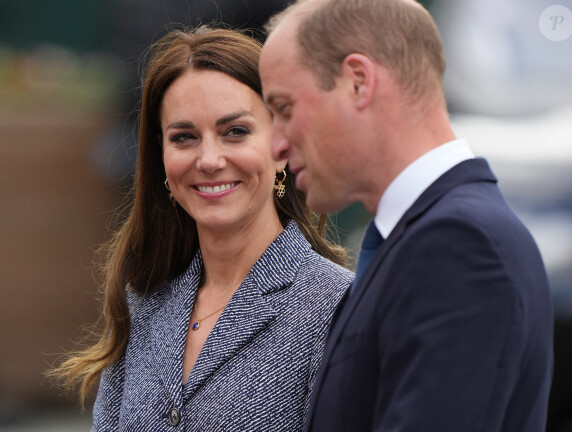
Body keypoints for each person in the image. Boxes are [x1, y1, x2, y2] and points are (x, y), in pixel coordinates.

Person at [259, 0, 554, 431]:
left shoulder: (459, 246)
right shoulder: (434, 237)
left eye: (284, 109)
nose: (275, 147)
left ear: (358, 82)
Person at [53, 26, 352, 431]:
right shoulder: (145, 302)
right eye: (184, 137)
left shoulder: (337, 307)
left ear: (283, 147)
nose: (209, 159)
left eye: (236, 132)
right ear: (161, 157)